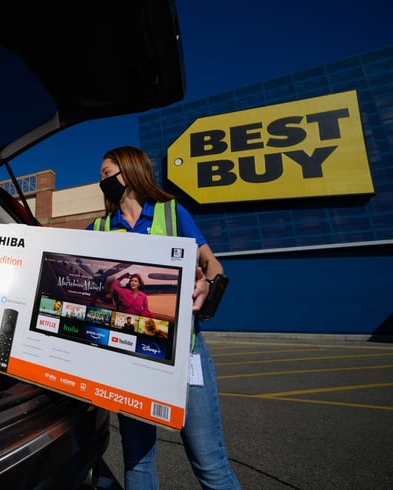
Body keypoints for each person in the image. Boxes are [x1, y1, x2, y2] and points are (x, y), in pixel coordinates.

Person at [86, 146, 240, 490]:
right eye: (100, 176)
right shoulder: (98, 227)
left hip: (184, 350)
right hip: (129, 355)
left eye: (108, 173)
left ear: (131, 170)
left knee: (209, 462)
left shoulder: (172, 213)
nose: (103, 181)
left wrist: (208, 283)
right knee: (138, 463)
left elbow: (212, 264)